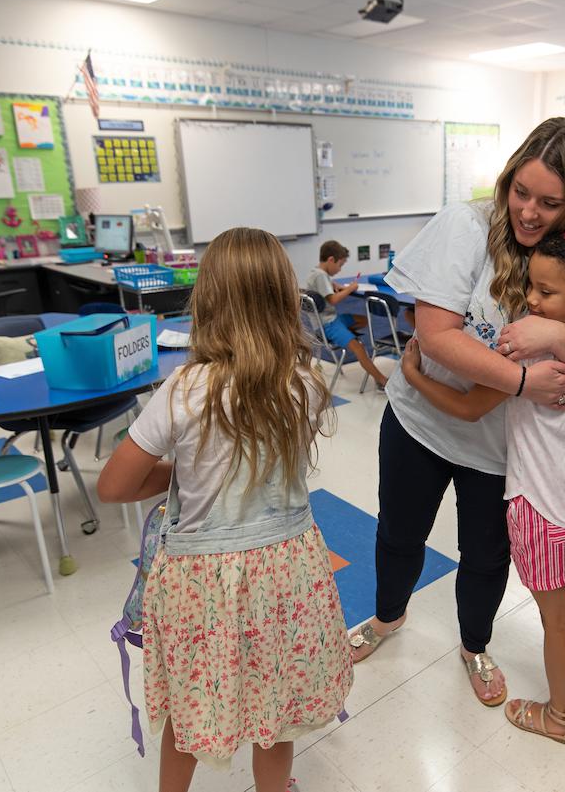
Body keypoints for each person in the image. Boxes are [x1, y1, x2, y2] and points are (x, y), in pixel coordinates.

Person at [346, 117, 565, 709]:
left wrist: (554, 333)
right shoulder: (467, 224)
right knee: (399, 533)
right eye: (520, 192)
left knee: (486, 556)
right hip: (421, 423)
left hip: (504, 452)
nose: (528, 212)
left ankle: (475, 647)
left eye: (550, 203)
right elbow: (435, 335)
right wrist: (527, 379)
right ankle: (386, 618)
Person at [97, 228, 352, 792]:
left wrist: (180, 476)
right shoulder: (305, 384)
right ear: (284, 299)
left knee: (191, 709)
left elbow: (114, 486)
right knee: (276, 706)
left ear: (207, 301)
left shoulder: (183, 390)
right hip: (288, 570)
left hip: (201, 581)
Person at [400, 225, 565, 744]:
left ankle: (559, 717)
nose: (530, 300)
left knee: (556, 622)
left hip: (542, 504)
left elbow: (467, 408)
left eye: (546, 293)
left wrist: (415, 376)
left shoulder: (526, 349)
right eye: (530, 286)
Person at [305, 239, 388, 389]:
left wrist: (339, 286)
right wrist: (350, 288)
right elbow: (334, 299)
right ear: (331, 259)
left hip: (329, 320)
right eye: (340, 265)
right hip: (328, 325)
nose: (339, 269)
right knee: (359, 348)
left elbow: (328, 291)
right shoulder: (321, 276)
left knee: (362, 320)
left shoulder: (316, 273)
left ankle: (346, 337)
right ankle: (381, 380)